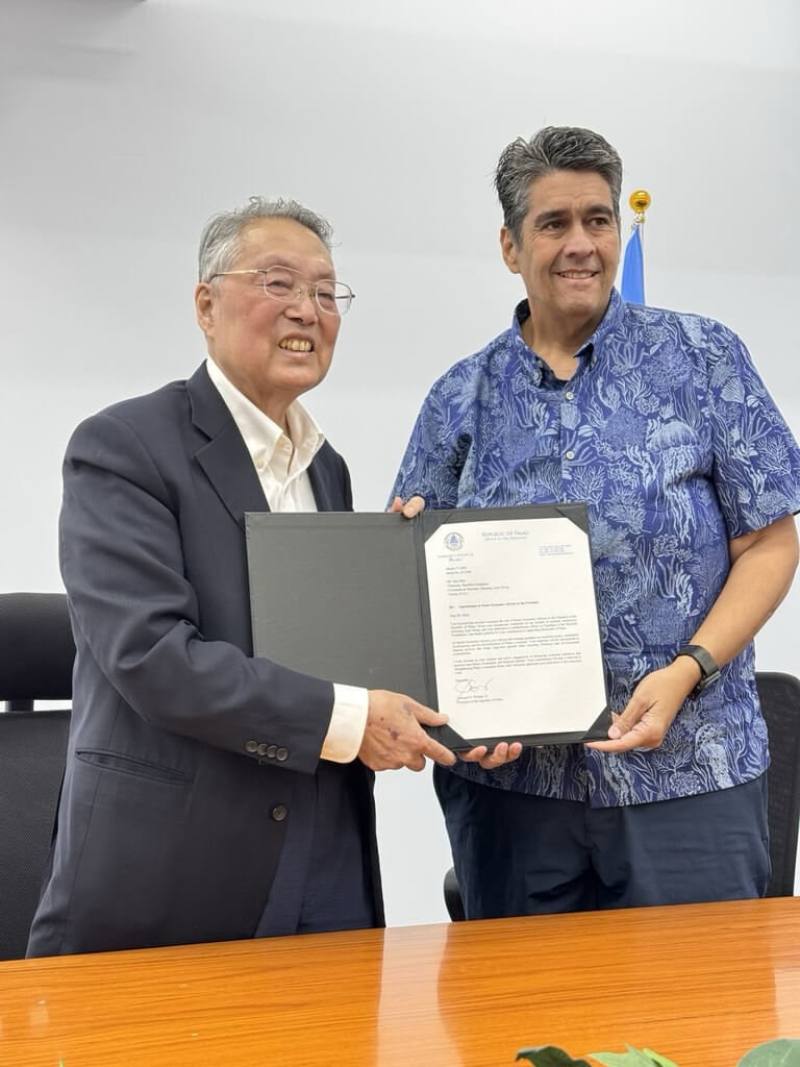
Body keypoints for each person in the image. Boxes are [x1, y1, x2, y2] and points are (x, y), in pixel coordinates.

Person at [27, 197, 500, 957]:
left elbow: (323, 653)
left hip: (328, 853)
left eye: (325, 292)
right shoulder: (122, 445)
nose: (306, 311)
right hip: (179, 869)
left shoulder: (328, 467)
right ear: (205, 305)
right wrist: (356, 719)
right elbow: (154, 658)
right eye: (278, 283)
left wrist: (432, 641)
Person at [391, 127, 800, 919]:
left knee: (694, 1029)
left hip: (690, 775)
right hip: (514, 794)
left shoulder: (704, 357)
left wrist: (688, 669)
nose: (580, 244)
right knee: (526, 1031)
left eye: (598, 219)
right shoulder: (458, 398)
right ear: (511, 246)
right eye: (554, 224)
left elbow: (770, 542)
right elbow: (418, 580)